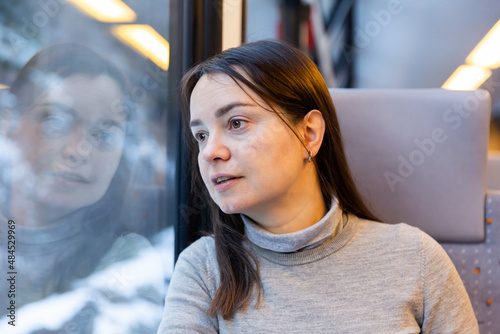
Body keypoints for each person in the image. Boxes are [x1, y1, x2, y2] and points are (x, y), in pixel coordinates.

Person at [157, 40, 479, 333]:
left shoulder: (416, 258)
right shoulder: (202, 270)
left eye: (236, 123)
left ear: (309, 133)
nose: (211, 151)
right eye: (201, 135)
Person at [0, 42, 164, 333]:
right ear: (9, 124)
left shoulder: (128, 264)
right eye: (55, 121)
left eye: (104, 134)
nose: (78, 150)